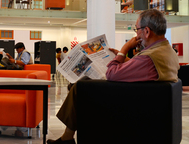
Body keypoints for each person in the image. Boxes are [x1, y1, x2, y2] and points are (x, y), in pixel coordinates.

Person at [47, 9, 179, 144]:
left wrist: (124, 49)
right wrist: (121, 58)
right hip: (144, 100)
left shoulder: (149, 57)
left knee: (79, 87)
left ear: (146, 31)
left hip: (128, 104)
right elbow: (142, 69)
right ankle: (66, 138)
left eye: (137, 29)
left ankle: (67, 138)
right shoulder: (165, 50)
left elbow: (111, 74)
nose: (136, 34)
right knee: (77, 85)